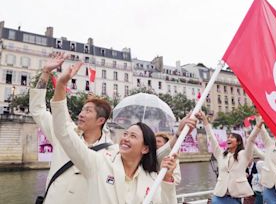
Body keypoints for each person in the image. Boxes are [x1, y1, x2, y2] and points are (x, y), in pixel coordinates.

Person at [50, 61, 196, 204]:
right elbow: (64, 133)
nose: (125, 138)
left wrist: (168, 177)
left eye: (133, 136)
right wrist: (61, 86)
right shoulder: (99, 163)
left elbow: (159, 157)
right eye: (125, 134)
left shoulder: (151, 178)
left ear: (145, 148)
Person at [30, 52, 116, 204]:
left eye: (88, 111)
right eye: (82, 110)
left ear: (101, 120)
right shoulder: (63, 132)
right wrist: (46, 73)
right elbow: (38, 109)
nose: (81, 114)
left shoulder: (111, 153)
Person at [196, 111, 260, 203]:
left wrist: (258, 126)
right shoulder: (221, 154)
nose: (228, 139)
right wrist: (205, 121)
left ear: (238, 142)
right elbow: (211, 138)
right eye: (228, 137)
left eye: (232, 137)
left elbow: (251, 140)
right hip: (219, 197)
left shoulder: (244, 155)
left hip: (236, 198)